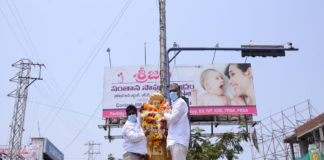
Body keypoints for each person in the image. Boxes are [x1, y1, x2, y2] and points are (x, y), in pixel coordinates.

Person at [160, 83, 190, 160]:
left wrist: (164, 113)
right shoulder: (175, 104)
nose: (172, 93)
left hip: (178, 141)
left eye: (174, 90)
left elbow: (173, 118)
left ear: (179, 92)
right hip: (174, 140)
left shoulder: (180, 102)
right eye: (170, 91)